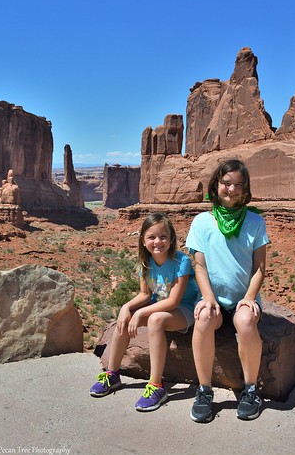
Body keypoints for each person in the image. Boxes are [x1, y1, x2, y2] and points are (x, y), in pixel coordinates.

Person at [186, 159, 269, 422]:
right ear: (216, 185)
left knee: (245, 321)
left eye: (238, 185)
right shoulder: (201, 222)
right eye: (226, 183)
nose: (231, 190)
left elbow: (259, 268)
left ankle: (251, 390)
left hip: (242, 298)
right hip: (213, 299)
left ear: (245, 190)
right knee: (204, 318)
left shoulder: (255, 221)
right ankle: (204, 390)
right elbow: (199, 265)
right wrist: (208, 297)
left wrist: (249, 298)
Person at [89, 212, 198, 412]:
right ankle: (112, 374)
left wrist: (141, 313)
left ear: (171, 238)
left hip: (185, 309)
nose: (158, 242)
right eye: (151, 237)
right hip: (160, 306)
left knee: (155, 320)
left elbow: (174, 301)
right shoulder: (145, 262)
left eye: (163, 237)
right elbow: (144, 294)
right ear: (143, 240)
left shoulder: (181, 261)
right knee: (125, 318)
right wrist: (126, 308)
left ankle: (156, 385)